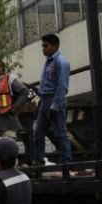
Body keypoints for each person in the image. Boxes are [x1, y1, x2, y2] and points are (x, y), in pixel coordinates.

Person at [33, 33, 72, 164]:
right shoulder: (49, 61)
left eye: (46, 46)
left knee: (60, 133)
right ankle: (39, 161)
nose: (43, 49)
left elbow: (62, 86)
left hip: (55, 99)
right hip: (44, 100)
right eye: (42, 46)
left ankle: (66, 161)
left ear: (54, 46)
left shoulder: (61, 62)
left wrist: (55, 105)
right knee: (38, 134)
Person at [0, 59, 29, 139]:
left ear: (1, 68)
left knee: (8, 150)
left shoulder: (9, 79)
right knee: (0, 151)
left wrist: (14, 108)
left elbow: (24, 92)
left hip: (8, 125)